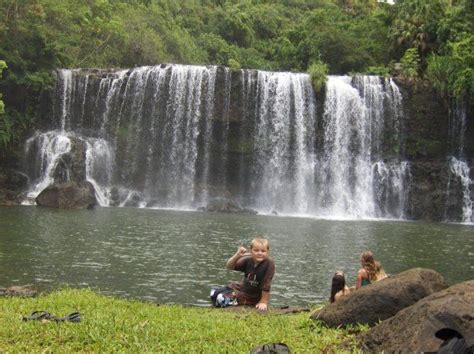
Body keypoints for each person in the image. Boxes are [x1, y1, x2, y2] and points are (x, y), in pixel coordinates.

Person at [210, 238, 275, 311]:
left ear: (267, 252)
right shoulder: (249, 259)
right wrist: (237, 255)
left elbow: (266, 285)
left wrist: (263, 302)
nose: (260, 253)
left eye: (263, 251)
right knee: (213, 293)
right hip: (243, 288)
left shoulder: (269, 264)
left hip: (252, 296)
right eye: (256, 250)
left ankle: (225, 307)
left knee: (221, 298)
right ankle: (218, 306)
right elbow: (229, 266)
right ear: (251, 251)